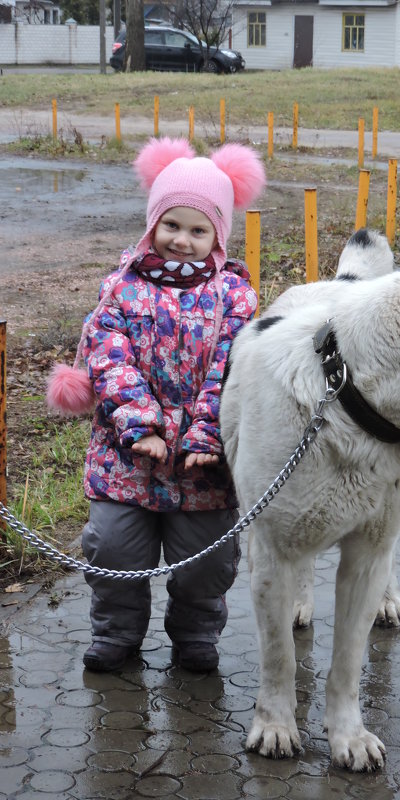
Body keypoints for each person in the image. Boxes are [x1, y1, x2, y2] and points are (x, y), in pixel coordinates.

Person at [47, 137, 266, 673]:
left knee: (207, 559)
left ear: (218, 234)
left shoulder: (235, 298)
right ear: (152, 225)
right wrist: (141, 424)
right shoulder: (120, 290)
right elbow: (109, 357)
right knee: (113, 549)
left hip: (203, 463)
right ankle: (117, 634)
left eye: (198, 230)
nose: (182, 241)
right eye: (171, 226)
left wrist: (207, 436)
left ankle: (195, 635)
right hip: (127, 452)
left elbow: (231, 372)